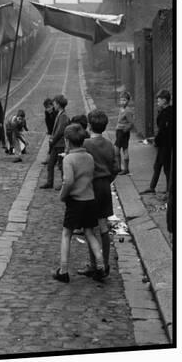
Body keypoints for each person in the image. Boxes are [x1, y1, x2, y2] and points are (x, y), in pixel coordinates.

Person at [54, 123, 106, 283]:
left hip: (76, 201)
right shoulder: (89, 157)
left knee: (66, 234)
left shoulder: (69, 159)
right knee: (90, 233)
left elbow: (68, 181)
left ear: (67, 141)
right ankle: (101, 265)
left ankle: (63, 270)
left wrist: (62, 195)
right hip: (90, 200)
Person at [78, 109, 120, 278]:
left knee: (89, 227)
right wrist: (108, 179)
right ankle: (106, 263)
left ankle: (94, 264)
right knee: (103, 226)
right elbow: (116, 168)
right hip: (104, 186)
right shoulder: (109, 144)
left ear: (89, 125)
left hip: (91, 186)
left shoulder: (86, 144)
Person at [141, 89, 173, 195]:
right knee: (157, 165)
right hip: (163, 144)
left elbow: (163, 130)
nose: (157, 102)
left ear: (164, 100)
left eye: (158, 100)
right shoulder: (164, 111)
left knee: (167, 168)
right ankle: (152, 187)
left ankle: (169, 192)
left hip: (166, 145)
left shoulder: (168, 112)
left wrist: (156, 141)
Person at [40, 94, 69, 189]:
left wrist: (53, 139)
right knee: (50, 164)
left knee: (61, 165)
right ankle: (49, 182)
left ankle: (64, 183)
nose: (54, 105)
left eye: (55, 103)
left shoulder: (63, 116)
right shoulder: (59, 114)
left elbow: (60, 131)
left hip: (60, 144)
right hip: (55, 144)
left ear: (59, 104)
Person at [114, 91, 135, 175]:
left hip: (123, 133)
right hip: (119, 132)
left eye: (124, 100)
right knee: (119, 150)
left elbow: (131, 123)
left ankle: (125, 169)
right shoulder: (121, 109)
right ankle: (120, 168)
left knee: (120, 150)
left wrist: (124, 130)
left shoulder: (127, 111)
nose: (122, 102)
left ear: (128, 101)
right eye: (121, 100)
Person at [42, 97, 57, 165]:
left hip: (57, 130)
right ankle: (49, 158)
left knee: (53, 144)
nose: (47, 109)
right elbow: (48, 122)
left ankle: (51, 159)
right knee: (51, 143)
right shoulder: (47, 113)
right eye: (46, 107)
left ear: (52, 105)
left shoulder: (56, 111)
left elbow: (57, 122)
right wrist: (49, 132)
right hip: (52, 131)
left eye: (49, 107)